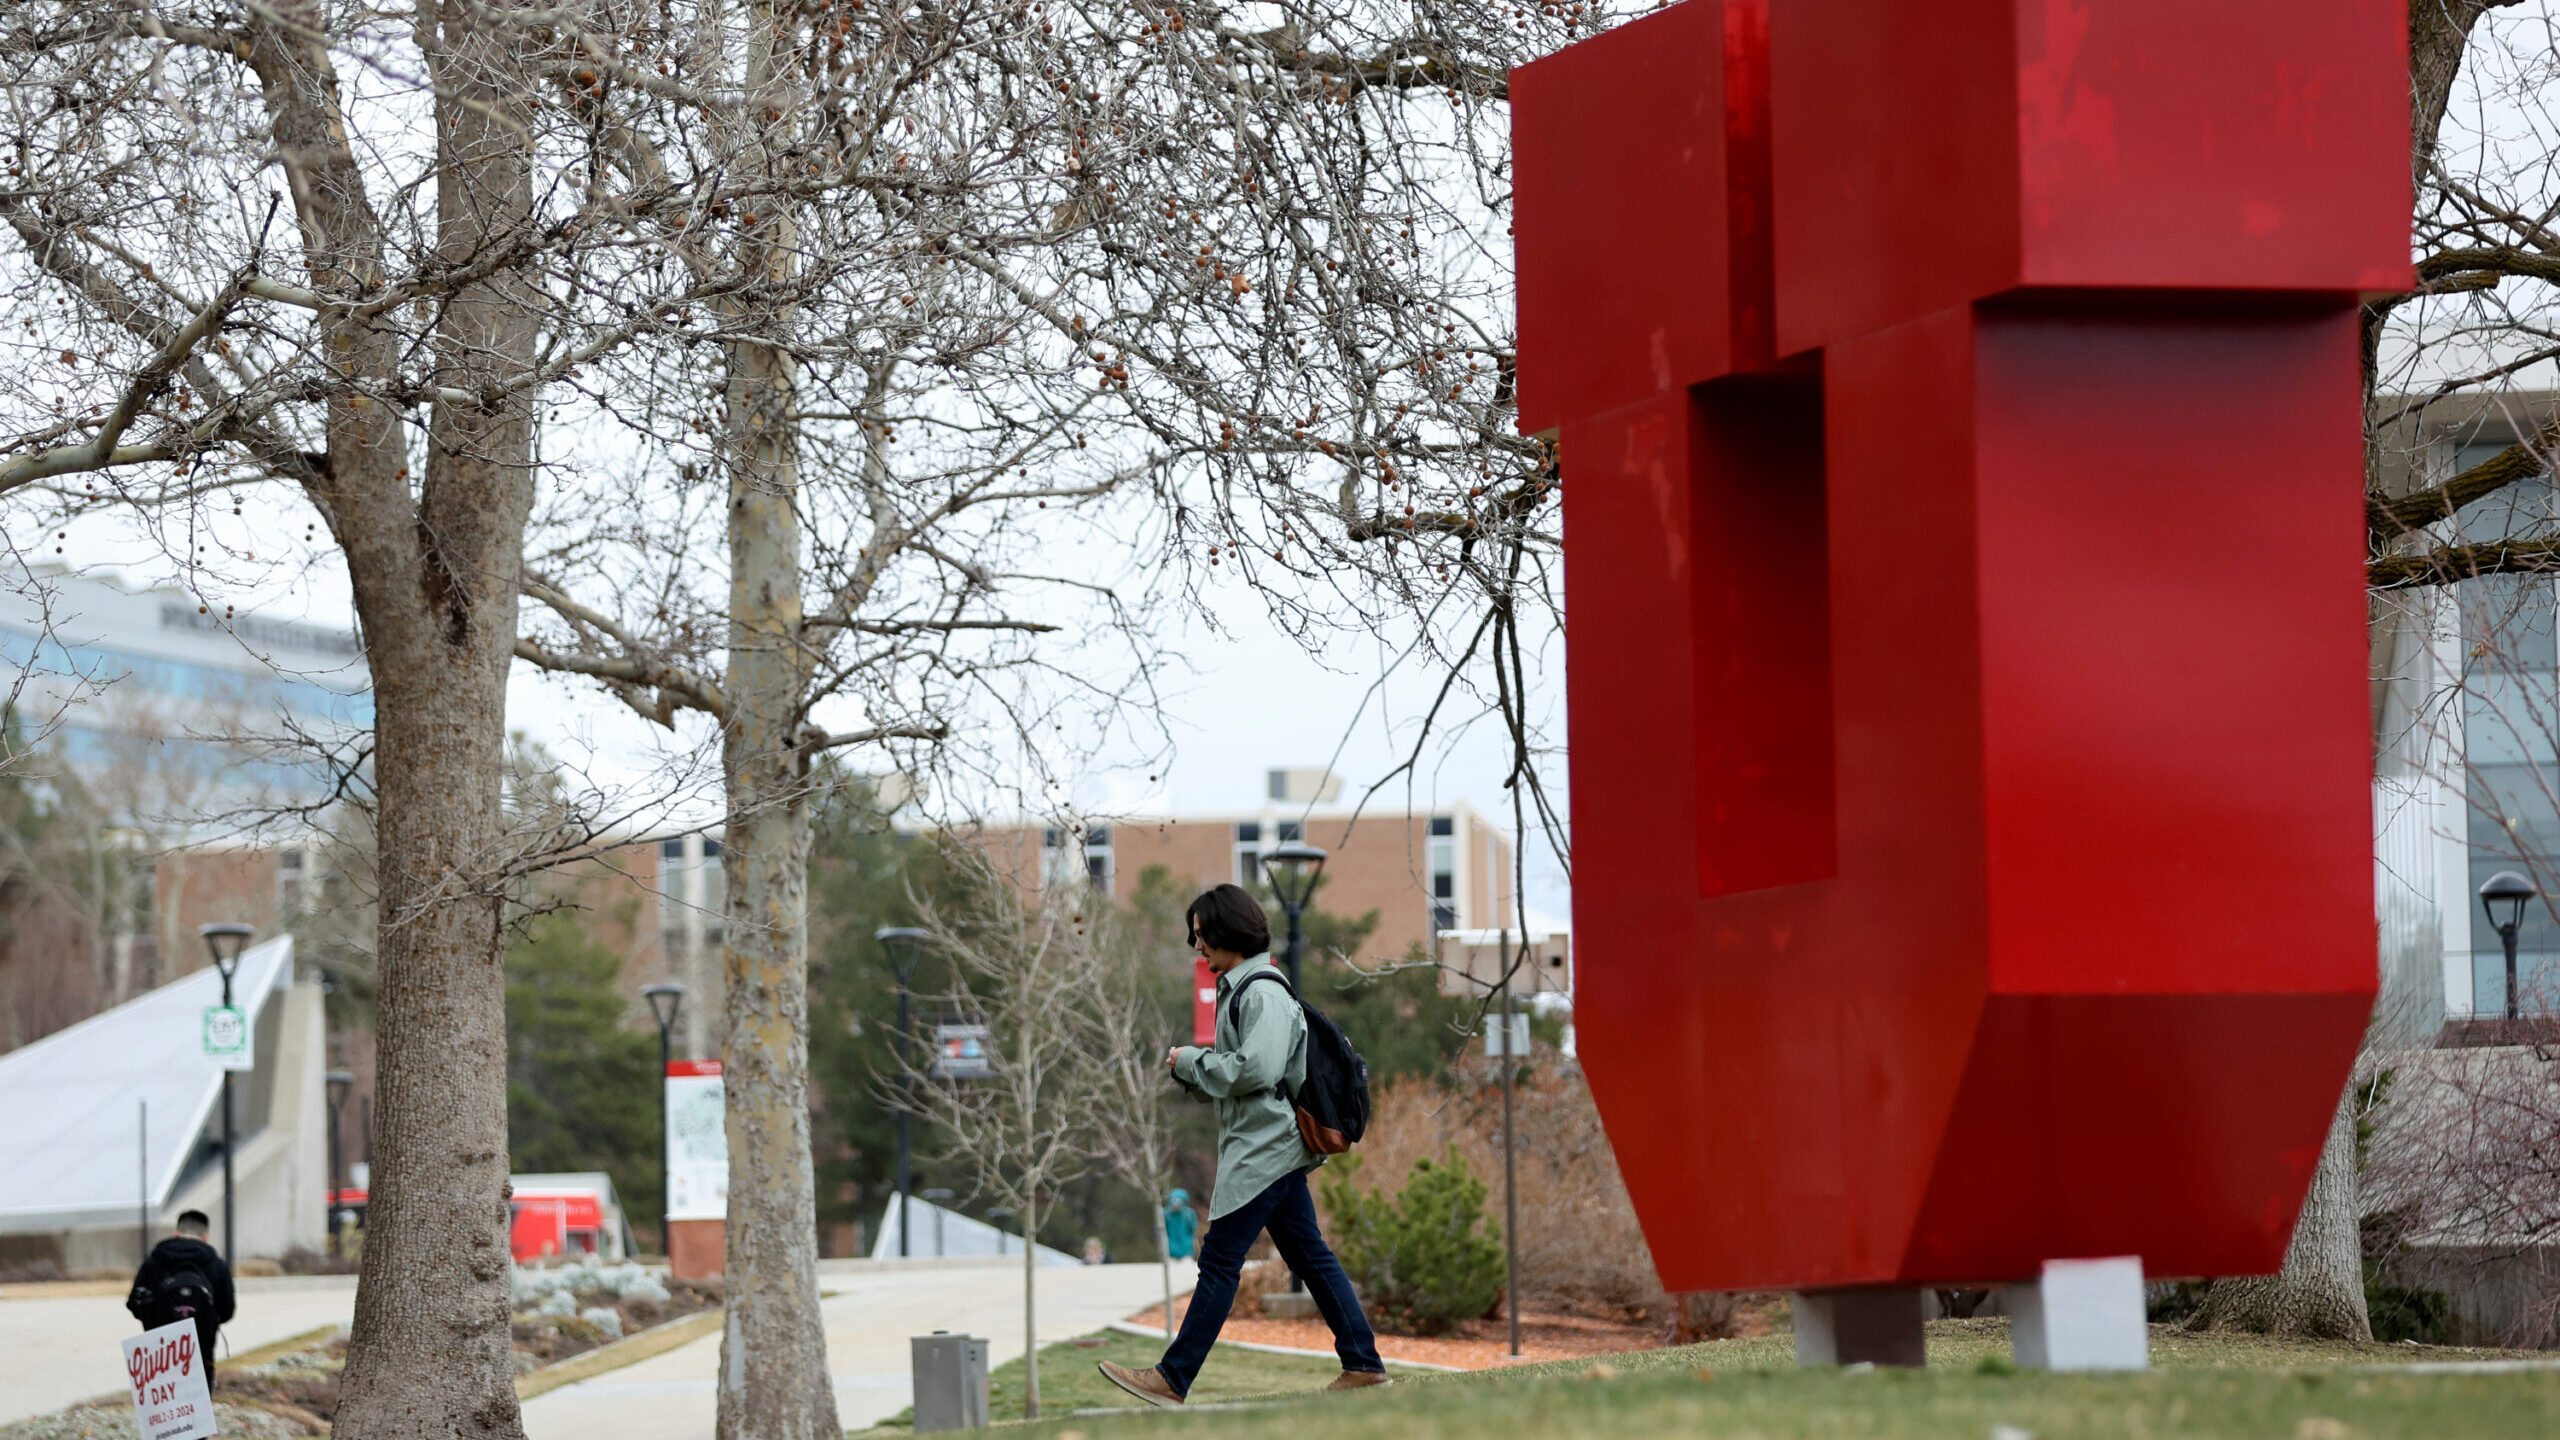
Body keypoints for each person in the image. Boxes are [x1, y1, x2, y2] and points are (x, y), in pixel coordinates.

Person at [1099, 884, 1387, 1407]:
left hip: (1265, 1151)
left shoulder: (1262, 991)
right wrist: (1197, 1071)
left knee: (1219, 1262)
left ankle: (1173, 1377)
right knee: (1311, 1256)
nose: (1197, 944)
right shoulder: (1244, 989)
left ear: (1228, 931)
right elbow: (1249, 1072)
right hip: (1264, 1146)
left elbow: (1258, 1069)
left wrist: (1191, 1061)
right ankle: (1363, 1363)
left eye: (1201, 933)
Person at [127, 1211, 235, 1383]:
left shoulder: (154, 1261)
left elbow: (134, 1304)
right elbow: (227, 1310)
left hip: (158, 1356)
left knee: (162, 1407)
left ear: (176, 1233)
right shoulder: (217, 1265)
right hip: (201, 1354)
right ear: (206, 1236)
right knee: (199, 1406)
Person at [1161, 1188, 1199, 1262]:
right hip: (1170, 1252)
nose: (1175, 1203)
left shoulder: (1190, 1214)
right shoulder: (1166, 1214)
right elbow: (1160, 1233)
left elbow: (1195, 1232)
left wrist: (1196, 1249)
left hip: (1187, 1252)